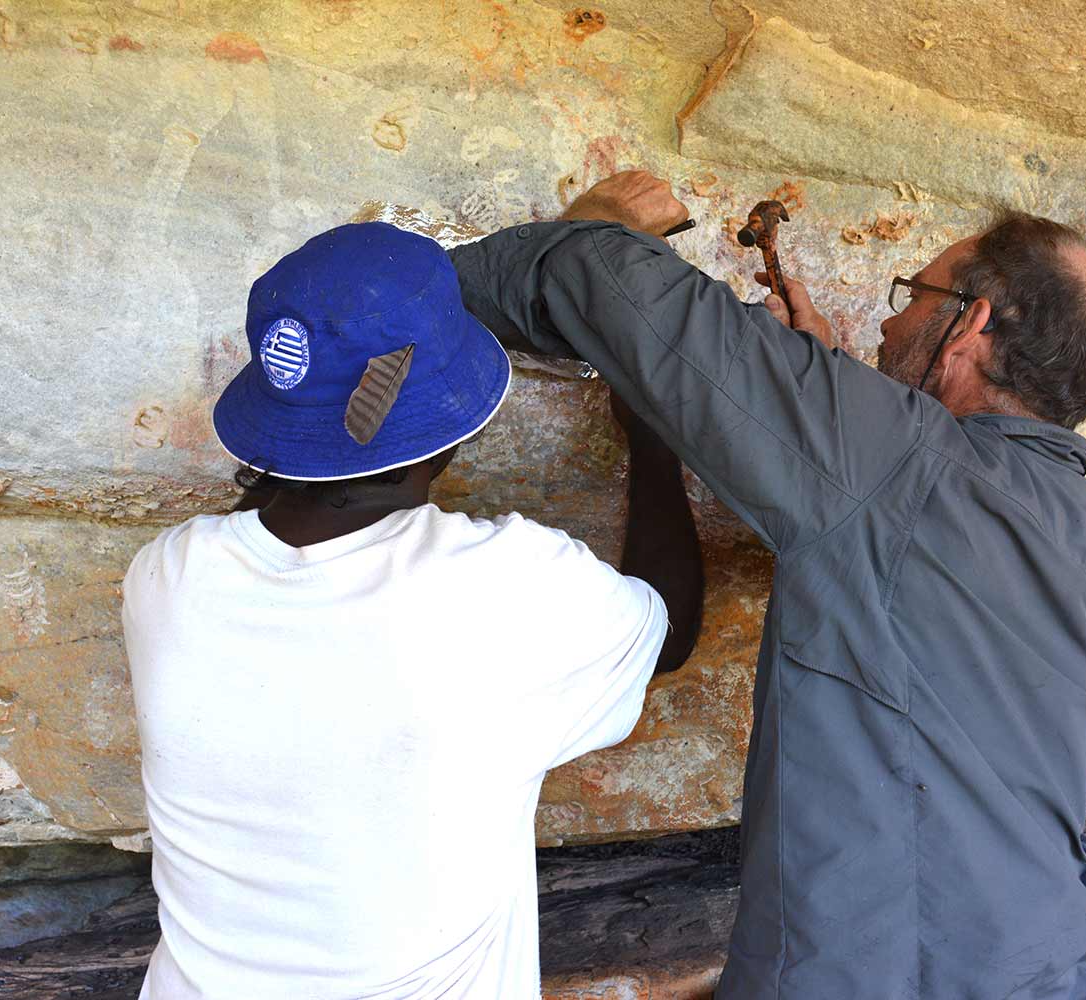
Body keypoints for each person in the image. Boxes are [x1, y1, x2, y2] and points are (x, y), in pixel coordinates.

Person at [449, 171, 1086, 998]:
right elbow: (920, 520)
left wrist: (602, 226)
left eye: (914, 295)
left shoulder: (889, 464)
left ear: (972, 324)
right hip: (1054, 968)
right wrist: (834, 390)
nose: (890, 318)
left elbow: (613, 290)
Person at [120, 220, 703, 999]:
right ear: (446, 432)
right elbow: (666, 629)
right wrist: (654, 440)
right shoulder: (510, 587)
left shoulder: (165, 577)